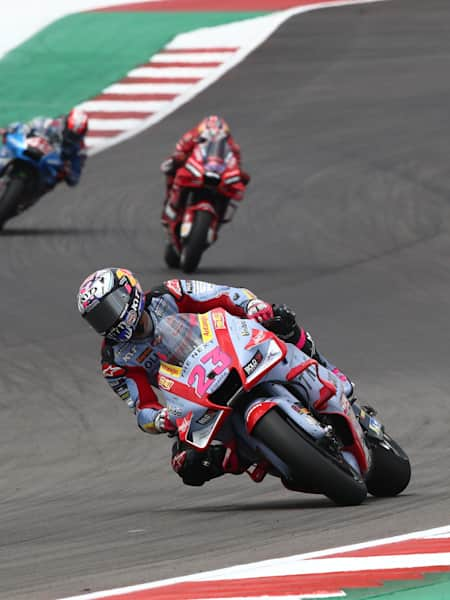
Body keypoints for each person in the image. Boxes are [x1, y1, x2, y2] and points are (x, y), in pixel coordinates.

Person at [77, 269, 353, 486]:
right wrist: (160, 419)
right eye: (98, 319)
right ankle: (249, 457)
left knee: (280, 319)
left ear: (130, 293)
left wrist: (253, 306)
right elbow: (142, 409)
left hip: (229, 351)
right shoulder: (114, 359)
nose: (108, 321)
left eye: (109, 309)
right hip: (197, 396)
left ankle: (329, 371)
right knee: (187, 464)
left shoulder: (169, 294)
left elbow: (223, 295)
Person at [160, 115, 250, 227]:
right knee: (170, 168)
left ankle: (219, 217)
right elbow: (179, 151)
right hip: (195, 167)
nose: (214, 136)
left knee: (234, 185)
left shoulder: (232, 145)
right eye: (210, 132)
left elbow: (236, 164)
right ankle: (170, 205)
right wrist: (179, 158)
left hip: (217, 171)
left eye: (219, 134)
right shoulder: (191, 136)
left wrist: (239, 175)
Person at [1, 107, 88, 187]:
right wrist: (16, 129)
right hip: (32, 149)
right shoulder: (51, 124)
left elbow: (75, 177)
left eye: (75, 136)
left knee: (47, 182)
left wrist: (69, 173)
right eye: (70, 133)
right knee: (10, 143)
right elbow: (29, 125)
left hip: (46, 172)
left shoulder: (79, 150)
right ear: (66, 123)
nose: (71, 137)